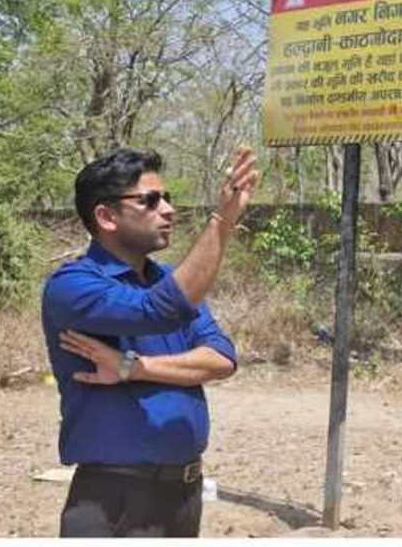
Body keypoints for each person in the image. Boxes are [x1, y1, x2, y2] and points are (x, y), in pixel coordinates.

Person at [42, 145, 259, 537]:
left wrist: (133, 367)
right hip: (114, 501)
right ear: (106, 216)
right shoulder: (73, 286)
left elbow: (221, 358)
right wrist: (220, 221)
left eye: (167, 197)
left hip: (183, 496)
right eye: (151, 200)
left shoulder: (170, 280)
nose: (169, 210)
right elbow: (156, 311)